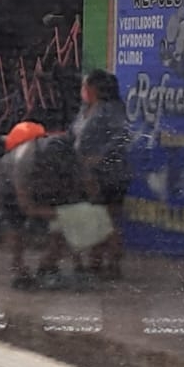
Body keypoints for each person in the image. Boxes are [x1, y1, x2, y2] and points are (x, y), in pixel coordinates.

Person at [0, 120, 84, 289]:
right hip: (9, 184)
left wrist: (78, 262)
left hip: (39, 183)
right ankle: (18, 267)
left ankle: (48, 262)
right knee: (16, 222)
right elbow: (25, 206)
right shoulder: (24, 162)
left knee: (67, 214)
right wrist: (58, 214)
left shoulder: (68, 158)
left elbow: (74, 196)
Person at [71, 69, 131, 279]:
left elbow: (122, 135)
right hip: (86, 174)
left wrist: (100, 156)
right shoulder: (85, 109)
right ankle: (95, 261)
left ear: (94, 88)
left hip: (110, 173)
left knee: (108, 218)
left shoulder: (111, 109)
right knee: (94, 218)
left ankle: (114, 263)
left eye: (85, 85)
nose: (83, 89)